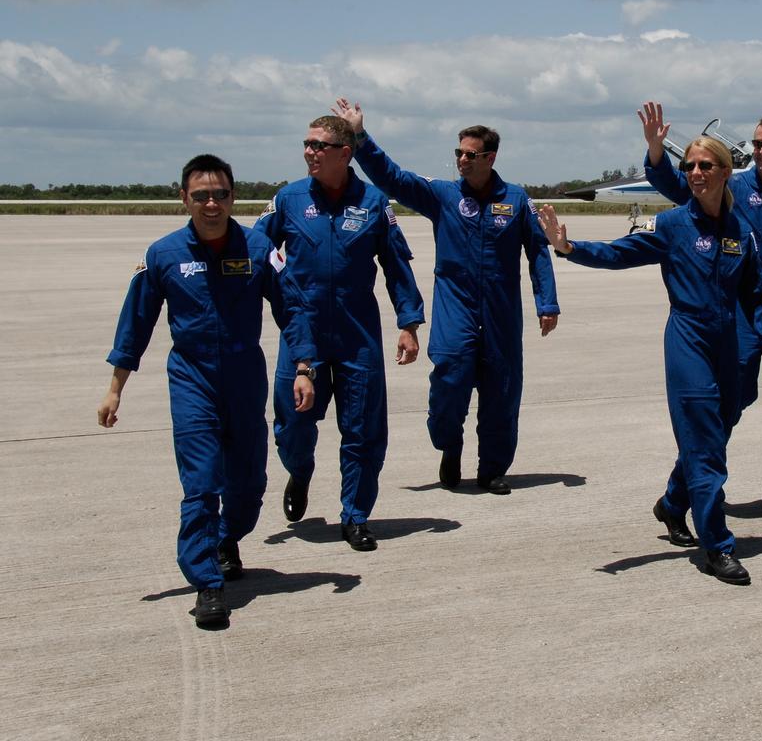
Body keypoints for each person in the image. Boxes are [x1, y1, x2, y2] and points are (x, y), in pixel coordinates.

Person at [539, 120, 762, 586]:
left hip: (728, 343)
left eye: (705, 165)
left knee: (719, 429)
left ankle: (671, 503)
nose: (695, 172)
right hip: (687, 339)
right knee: (706, 446)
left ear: (726, 171)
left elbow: (761, 295)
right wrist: (567, 247)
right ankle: (718, 546)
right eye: (688, 166)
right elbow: (620, 253)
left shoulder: (741, 229)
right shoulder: (671, 225)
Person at [98, 154, 317, 629]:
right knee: (201, 484)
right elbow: (134, 325)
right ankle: (208, 584)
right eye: (201, 195)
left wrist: (304, 367)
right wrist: (116, 388)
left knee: (250, 484)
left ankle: (226, 539)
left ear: (232, 196)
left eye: (219, 194)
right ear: (184, 198)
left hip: (244, 379)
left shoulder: (260, 249)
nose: (211, 204)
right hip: (192, 381)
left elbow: (294, 310)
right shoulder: (163, 254)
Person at [332, 98, 559, 494]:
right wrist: (360, 136)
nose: (461, 160)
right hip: (456, 307)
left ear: (490, 157)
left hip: (502, 313)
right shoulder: (442, 196)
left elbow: (538, 252)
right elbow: (393, 178)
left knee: (502, 393)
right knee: (449, 378)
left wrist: (547, 302)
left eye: (470, 154)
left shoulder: (517, 200)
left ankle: (492, 470)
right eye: (458, 152)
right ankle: (448, 445)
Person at [643, 103, 762, 525]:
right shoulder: (733, 187)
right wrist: (656, 151)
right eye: (758, 144)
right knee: (725, 406)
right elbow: (676, 183)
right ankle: (680, 493)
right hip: (739, 312)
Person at [255, 116, 424, 553]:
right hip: (301, 335)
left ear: (345, 153)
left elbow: (397, 265)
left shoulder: (372, 202)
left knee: (363, 432)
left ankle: (356, 515)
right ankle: (301, 469)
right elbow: (255, 250)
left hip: (356, 336)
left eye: (320, 145)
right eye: (307, 143)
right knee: (292, 426)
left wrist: (408, 323)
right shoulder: (288, 200)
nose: (310, 152)